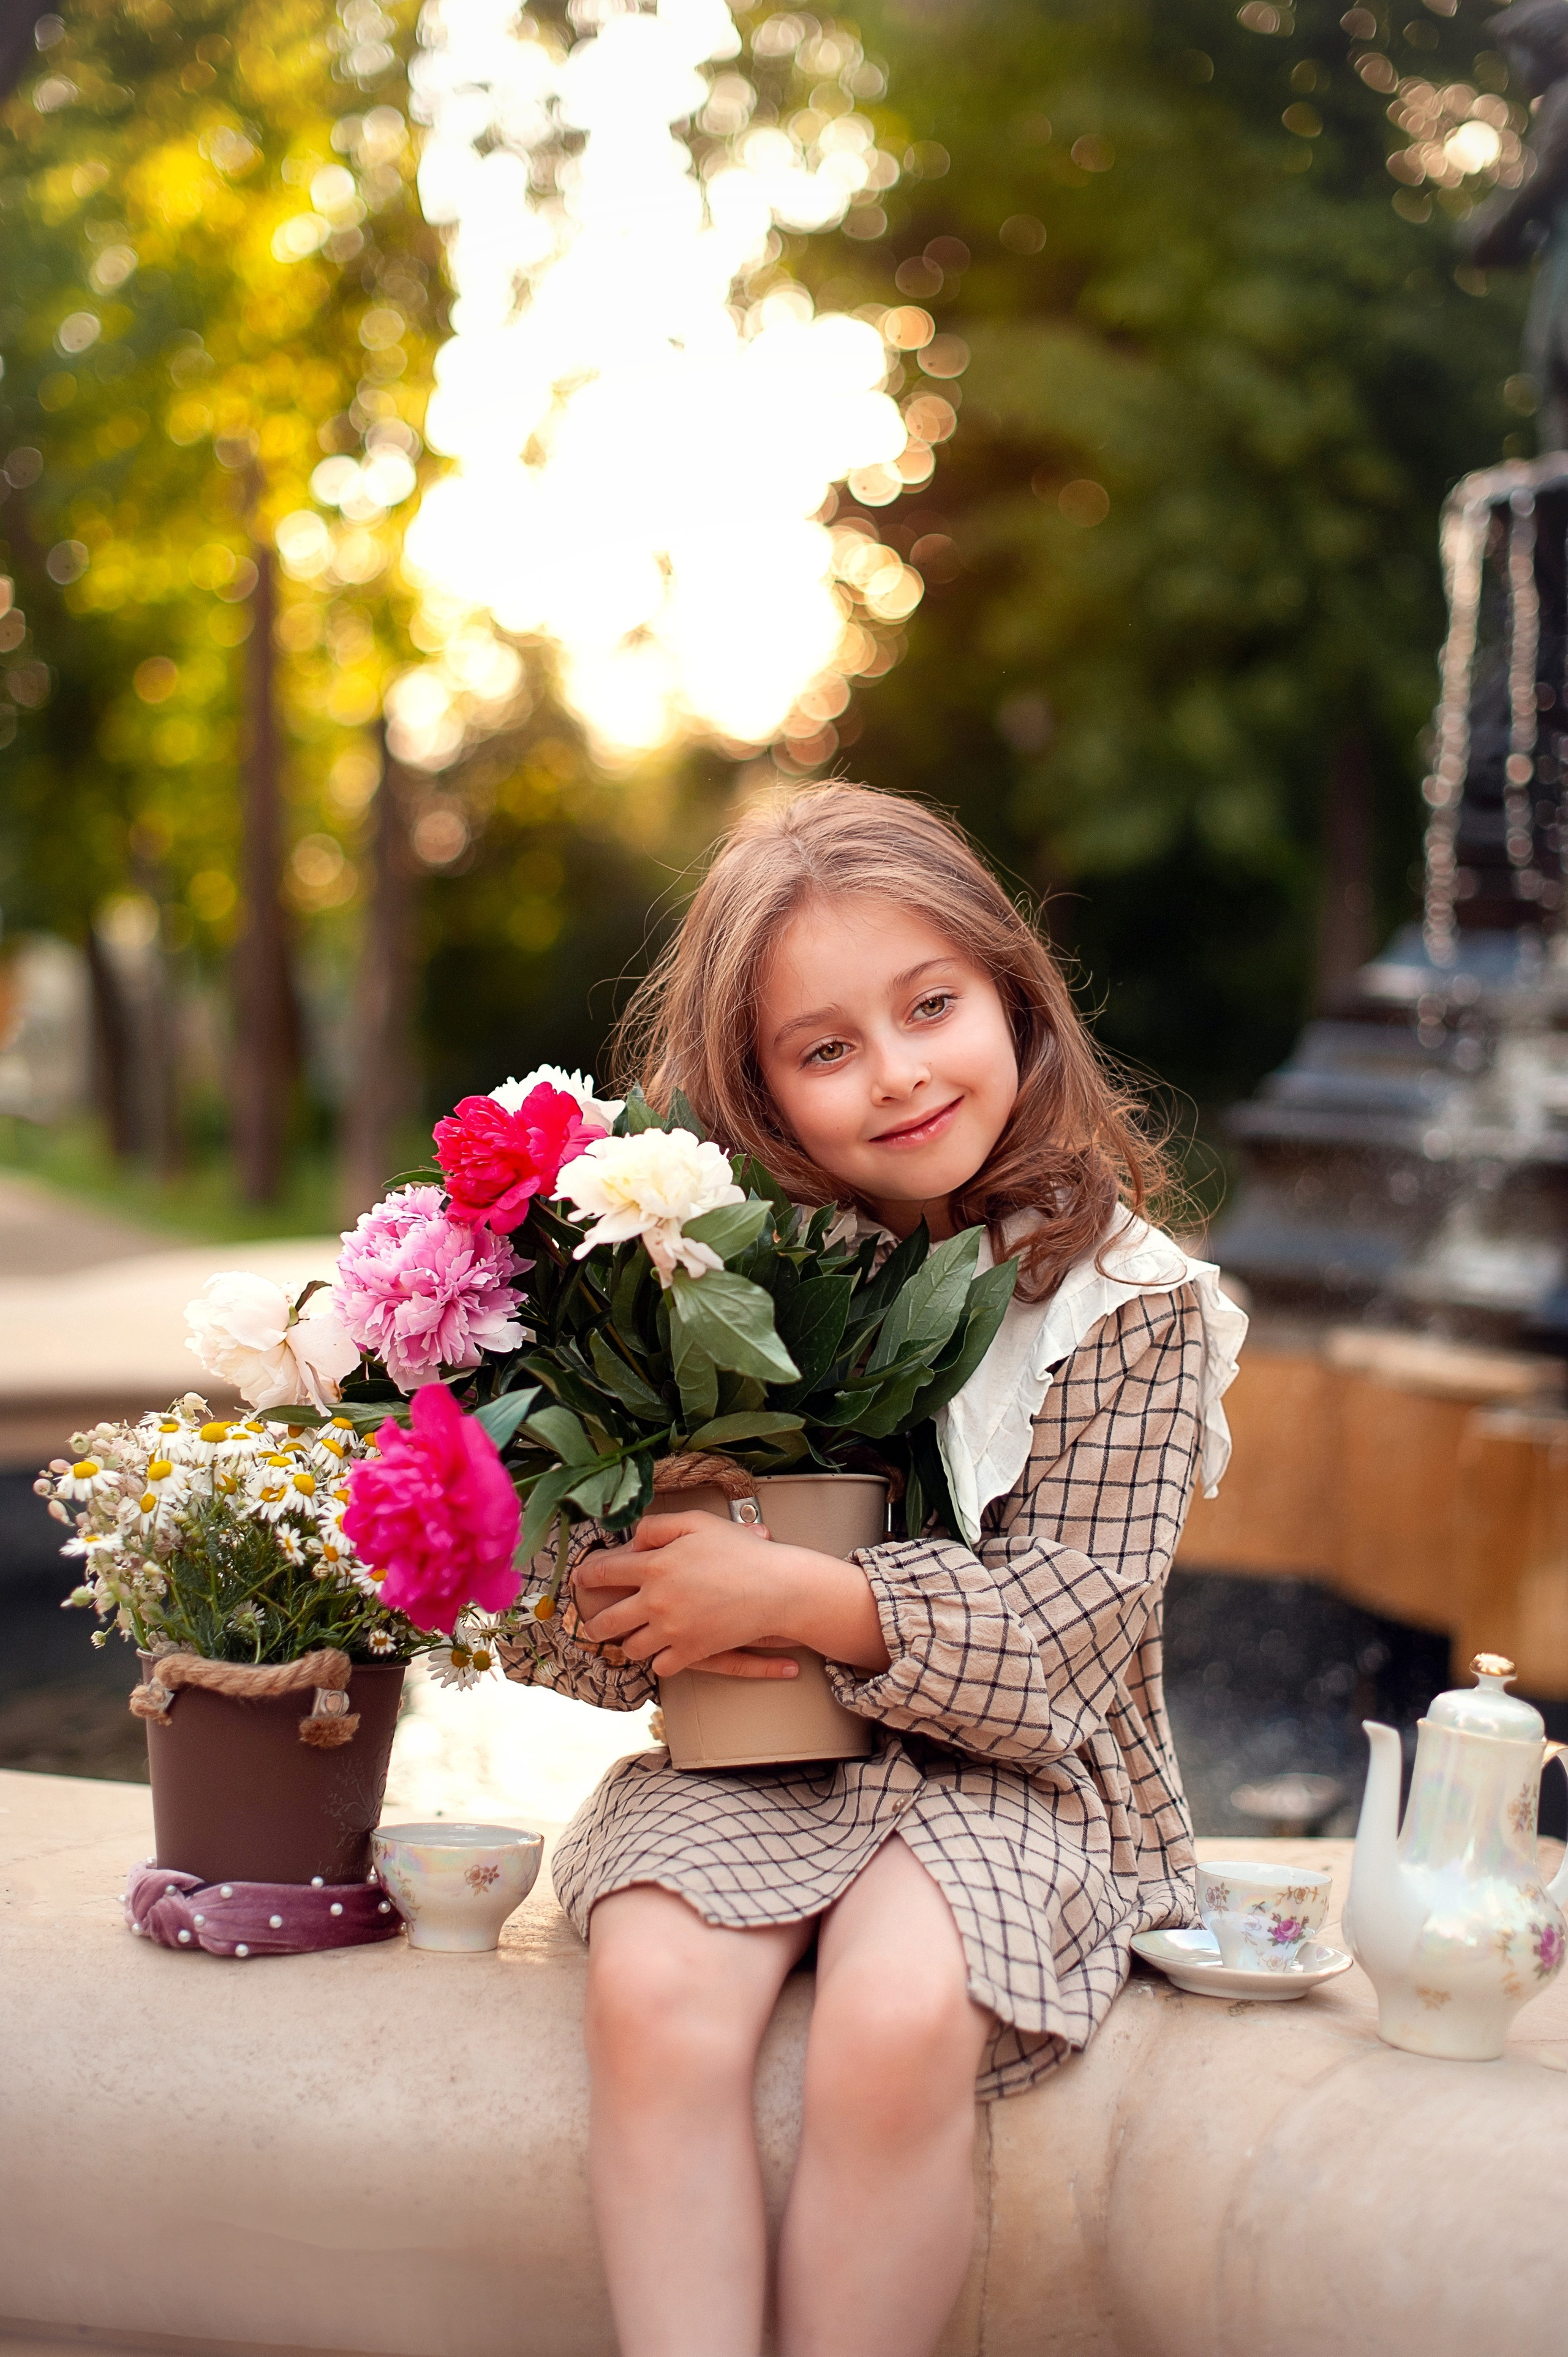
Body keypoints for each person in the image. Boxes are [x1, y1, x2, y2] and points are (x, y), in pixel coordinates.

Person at [499, 785, 1244, 2357]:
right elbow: (570, 1624)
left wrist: (792, 1595)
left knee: (896, 2012)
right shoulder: (708, 1275)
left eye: (931, 1007)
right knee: (651, 1990)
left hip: (1026, 1777)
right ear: (757, 1090)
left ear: (1012, 1001)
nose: (899, 1072)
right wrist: (609, 1582)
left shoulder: (1132, 1303)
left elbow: (1075, 1631)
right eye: (826, 1047)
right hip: (765, 1751)